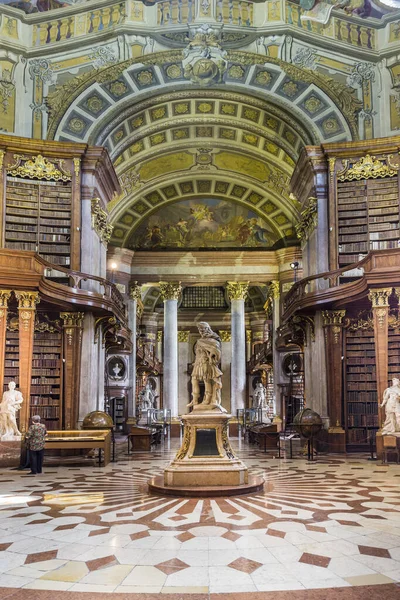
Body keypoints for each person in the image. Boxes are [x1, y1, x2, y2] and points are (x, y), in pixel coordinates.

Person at [188, 321, 225, 411]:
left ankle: (208, 399)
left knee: (207, 380)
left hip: (206, 363)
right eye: (199, 330)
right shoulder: (199, 341)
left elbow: (217, 353)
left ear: (207, 329)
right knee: (194, 380)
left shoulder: (212, 341)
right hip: (198, 363)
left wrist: (213, 355)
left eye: (202, 329)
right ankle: (195, 400)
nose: (201, 331)